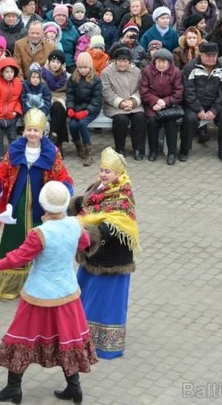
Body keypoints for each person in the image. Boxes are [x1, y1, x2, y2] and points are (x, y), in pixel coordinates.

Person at [0, 180, 97, 404]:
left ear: (43, 205)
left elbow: (17, 258)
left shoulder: (39, 233)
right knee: (68, 339)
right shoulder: (75, 224)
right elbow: (84, 243)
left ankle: (14, 388)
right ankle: (74, 387)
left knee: (21, 339)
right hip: (67, 293)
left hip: (39, 295)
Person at [0, 109, 73, 301]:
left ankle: (36, 284)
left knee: (40, 241)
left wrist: (66, 198)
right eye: (29, 129)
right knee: (13, 241)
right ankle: (10, 285)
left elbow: (63, 178)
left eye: (36, 130)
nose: (32, 133)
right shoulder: (15, 149)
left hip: (42, 208)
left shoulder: (52, 152)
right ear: (24, 130)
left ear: (42, 132)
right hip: (17, 204)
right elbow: (0, 176)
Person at [72, 146, 139, 361]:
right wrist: (66, 208)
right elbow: (86, 204)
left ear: (119, 174)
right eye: (101, 169)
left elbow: (112, 227)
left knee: (106, 304)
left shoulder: (122, 196)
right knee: (85, 298)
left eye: (108, 171)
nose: (103, 174)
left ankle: (107, 345)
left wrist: (89, 234)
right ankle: (81, 338)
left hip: (111, 261)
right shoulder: (99, 187)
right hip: (92, 256)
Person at [180, 41, 222, 163]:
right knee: (189, 119)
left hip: (214, 105)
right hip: (193, 106)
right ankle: (184, 149)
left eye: (214, 55)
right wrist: (199, 110)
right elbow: (188, 92)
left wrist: (214, 111)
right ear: (201, 55)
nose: (212, 58)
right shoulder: (190, 68)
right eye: (208, 55)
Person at [102, 46, 146, 160]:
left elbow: (141, 88)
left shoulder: (136, 71)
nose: (122, 64)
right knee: (121, 119)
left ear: (129, 61)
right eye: (120, 61)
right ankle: (120, 148)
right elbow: (106, 91)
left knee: (140, 118)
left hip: (134, 104)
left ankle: (138, 148)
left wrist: (133, 101)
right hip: (114, 106)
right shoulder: (107, 72)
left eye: (125, 61)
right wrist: (120, 103)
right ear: (115, 61)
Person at [140, 48, 183, 164]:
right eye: (158, 61)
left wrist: (165, 102)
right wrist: (155, 101)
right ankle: (153, 150)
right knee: (152, 121)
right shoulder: (147, 71)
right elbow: (144, 91)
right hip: (152, 105)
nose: (161, 64)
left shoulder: (176, 72)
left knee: (171, 123)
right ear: (154, 61)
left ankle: (172, 152)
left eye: (164, 62)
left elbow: (178, 92)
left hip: (169, 105)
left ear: (169, 63)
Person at [67, 51, 103, 166]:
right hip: (78, 107)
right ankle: (79, 147)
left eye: (85, 67)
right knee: (72, 125)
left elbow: (96, 99)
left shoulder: (96, 80)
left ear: (90, 67)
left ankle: (88, 153)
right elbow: (70, 95)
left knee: (82, 124)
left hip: (91, 108)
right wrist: (70, 107)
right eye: (80, 67)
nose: (83, 70)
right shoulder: (73, 78)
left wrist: (87, 111)